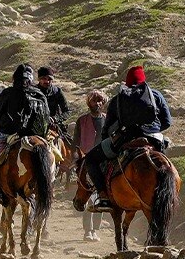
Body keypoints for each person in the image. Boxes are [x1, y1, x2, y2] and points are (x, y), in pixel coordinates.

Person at [83, 66, 172, 209]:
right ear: (144, 80)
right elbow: (167, 121)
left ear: (128, 81)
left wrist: (109, 138)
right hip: (154, 138)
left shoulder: (119, 98)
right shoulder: (156, 95)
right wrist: (151, 130)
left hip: (126, 139)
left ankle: (103, 197)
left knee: (91, 159)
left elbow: (106, 129)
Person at [0, 64, 50, 203]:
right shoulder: (40, 94)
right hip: (39, 135)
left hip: (8, 134)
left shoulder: (8, 93)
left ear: (14, 78)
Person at [74, 90, 108, 240]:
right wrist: (75, 160)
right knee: (88, 195)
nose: (98, 103)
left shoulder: (107, 120)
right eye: (95, 101)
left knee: (100, 195)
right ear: (89, 103)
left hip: (103, 160)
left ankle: (96, 229)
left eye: (100, 101)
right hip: (86, 161)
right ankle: (88, 230)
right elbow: (76, 142)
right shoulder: (82, 121)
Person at [36, 66, 71, 137]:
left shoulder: (57, 92)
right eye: (44, 79)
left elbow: (67, 111)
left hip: (54, 126)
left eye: (49, 79)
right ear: (39, 79)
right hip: (36, 127)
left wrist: (55, 119)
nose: (47, 81)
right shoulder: (33, 92)